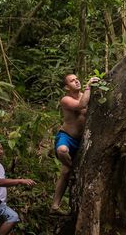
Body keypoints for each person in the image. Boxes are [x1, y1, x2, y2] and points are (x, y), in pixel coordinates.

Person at [51, 74, 98, 213]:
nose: (77, 81)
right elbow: (81, 105)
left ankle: (55, 205)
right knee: (62, 151)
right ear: (66, 87)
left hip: (83, 140)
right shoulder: (66, 100)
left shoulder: (86, 95)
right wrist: (89, 86)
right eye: (72, 80)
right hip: (67, 137)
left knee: (65, 172)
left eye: (77, 78)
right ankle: (73, 169)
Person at [0, 141, 35, 235]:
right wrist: (20, 181)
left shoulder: (0, 165)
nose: (1, 152)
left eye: (1, 149)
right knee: (13, 217)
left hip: (1, 202)